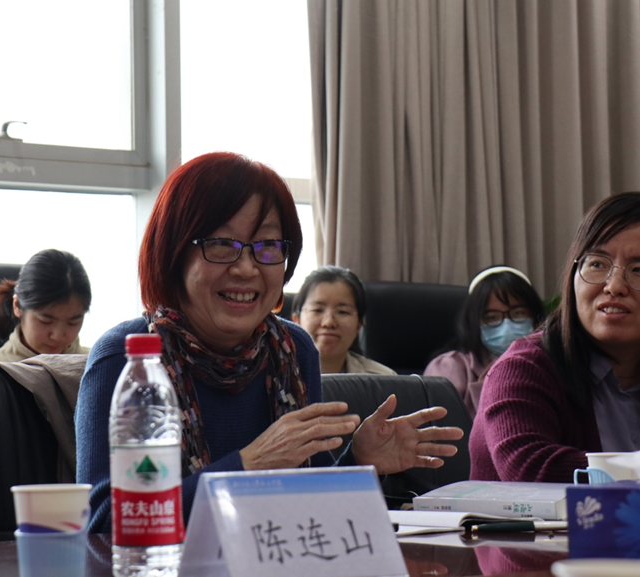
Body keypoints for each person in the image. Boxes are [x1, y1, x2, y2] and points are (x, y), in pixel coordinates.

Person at [75, 152, 464, 533]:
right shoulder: (128, 357)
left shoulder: (291, 350)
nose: (246, 268)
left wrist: (359, 460)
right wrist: (248, 466)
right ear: (172, 254)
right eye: (222, 243)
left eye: (267, 246)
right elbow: (104, 520)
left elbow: (308, 503)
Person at [470, 192, 640, 483]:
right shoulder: (523, 368)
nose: (614, 286)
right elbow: (528, 469)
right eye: (597, 264)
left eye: (638, 270)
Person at [423, 266, 545, 417]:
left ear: (536, 317)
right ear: (475, 323)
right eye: (492, 317)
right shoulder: (449, 367)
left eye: (518, 313)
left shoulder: (554, 365)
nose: (507, 324)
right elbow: (436, 425)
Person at [0, 248, 92, 370]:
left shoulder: (97, 366)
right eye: (45, 321)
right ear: (17, 306)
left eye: (73, 323)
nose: (57, 336)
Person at [291, 265, 396, 374]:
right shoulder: (279, 376)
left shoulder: (383, 379)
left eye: (343, 312)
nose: (328, 322)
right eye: (317, 310)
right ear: (296, 321)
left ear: (358, 326)